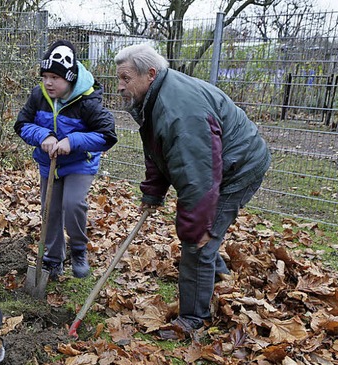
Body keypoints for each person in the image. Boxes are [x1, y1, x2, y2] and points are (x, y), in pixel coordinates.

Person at [114, 44, 271, 339]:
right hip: (216, 167)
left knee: (197, 242)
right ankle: (220, 277)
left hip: (239, 169)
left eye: (125, 78)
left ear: (150, 74)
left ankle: (192, 319)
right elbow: (159, 151)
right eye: (118, 79)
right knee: (200, 236)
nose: (120, 87)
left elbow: (198, 178)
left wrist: (196, 228)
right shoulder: (154, 99)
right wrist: (152, 192)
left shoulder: (180, 112)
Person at [14, 40, 117, 280]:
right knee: (50, 209)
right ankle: (53, 258)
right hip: (48, 162)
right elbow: (21, 124)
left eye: (55, 77)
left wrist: (72, 141)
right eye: (45, 76)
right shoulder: (39, 95)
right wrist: (43, 136)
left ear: (70, 78)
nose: (48, 82)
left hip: (79, 163)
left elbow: (107, 135)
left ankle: (79, 250)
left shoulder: (87, 100)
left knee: (73, 204)